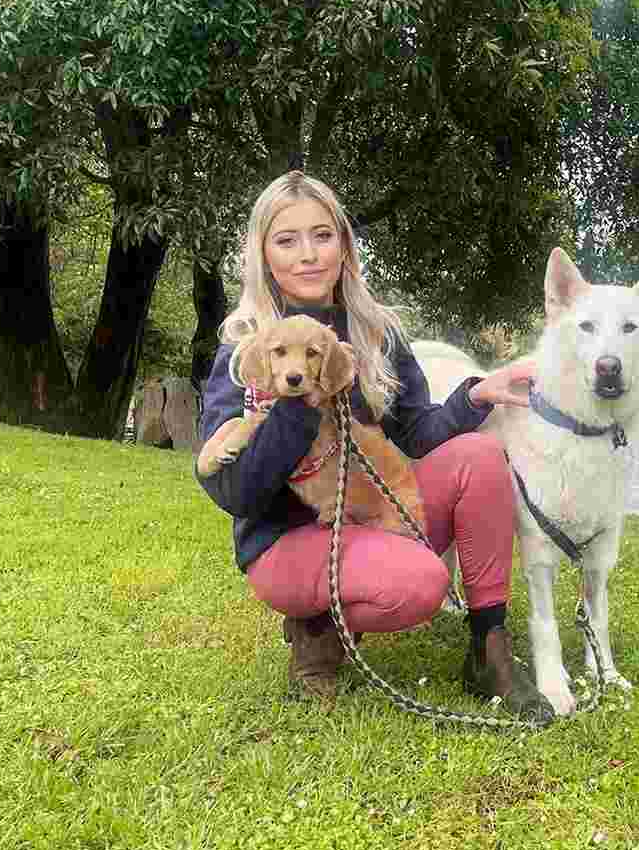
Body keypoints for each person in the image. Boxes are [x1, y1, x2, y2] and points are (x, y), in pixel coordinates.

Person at [195, 171, 554, 723]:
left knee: (480, 458)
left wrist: (479, 394)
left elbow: (419, 435)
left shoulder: (376, 331)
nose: (308, 255)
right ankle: (316, 627)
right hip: (288, 540)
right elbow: (236, 493)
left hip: (372, 509)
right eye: (286, 240)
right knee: (420, 584)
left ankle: (489, 648)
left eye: (322, 235)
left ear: (344, 243)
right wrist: (296, 401)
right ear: (264, 255)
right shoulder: (247, 346)